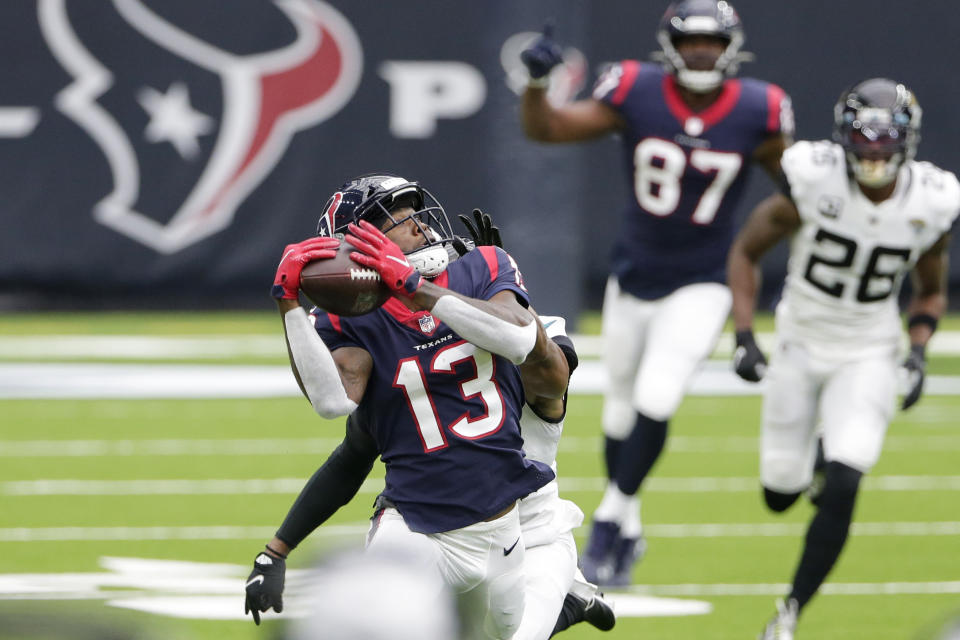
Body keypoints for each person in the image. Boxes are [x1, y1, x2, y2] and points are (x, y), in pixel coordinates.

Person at [518, 0, 794, 586]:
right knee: (619, 412)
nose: (701, 51)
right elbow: (546, 129)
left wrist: (754, 255)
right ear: (670, 44)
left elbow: (800, 190)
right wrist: (538, 84)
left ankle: (610, 526)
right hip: (633, 275)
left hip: (704, 280)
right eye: (691, 40)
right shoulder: (636, 90)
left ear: (730, 47)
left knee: (657, 396)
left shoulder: (757, 109)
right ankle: (631, 522)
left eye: (712, 41)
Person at [245, 209, 615, 638]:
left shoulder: (507, 305)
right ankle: (562, 601)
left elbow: (537, 357)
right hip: (419, 520)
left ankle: (564, 601)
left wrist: (460, 294)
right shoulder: (377, 339)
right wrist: (277, 549)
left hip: (530, 523)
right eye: (401, 221)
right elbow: (353, 447)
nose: (423, 228)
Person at [726, 78, 959, 639]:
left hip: (870, 349)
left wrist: (919, 352)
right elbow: (746, 251)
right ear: (843, 137)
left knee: (849, 476)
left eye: (887, 138)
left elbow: (929, 290)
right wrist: (742, 334)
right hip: (799, 344)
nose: (875, 150)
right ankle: (818, 462)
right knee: (780, 493)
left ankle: (789, 613)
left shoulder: (933, 199)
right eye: (864, 136)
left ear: (909, 140)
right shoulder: (812, 179)